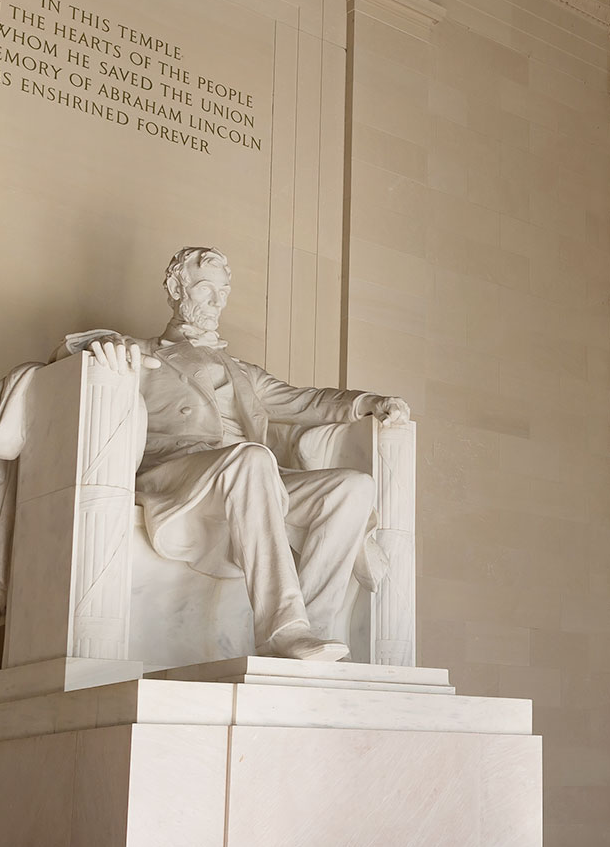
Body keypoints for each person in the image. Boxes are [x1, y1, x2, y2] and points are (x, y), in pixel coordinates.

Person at [74, 246, 407, 661]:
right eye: (205, 289)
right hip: (177, 473)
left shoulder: (244, 373)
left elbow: (307, 401)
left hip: (251, 476)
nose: (217, 301)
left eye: (223, 292)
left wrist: (367, 402)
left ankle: (315, 627)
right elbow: (65, 356)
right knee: (252, 458)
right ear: (176, 289)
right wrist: (102, 346)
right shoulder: (140, 351)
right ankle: (282, 629)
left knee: (353, 487)